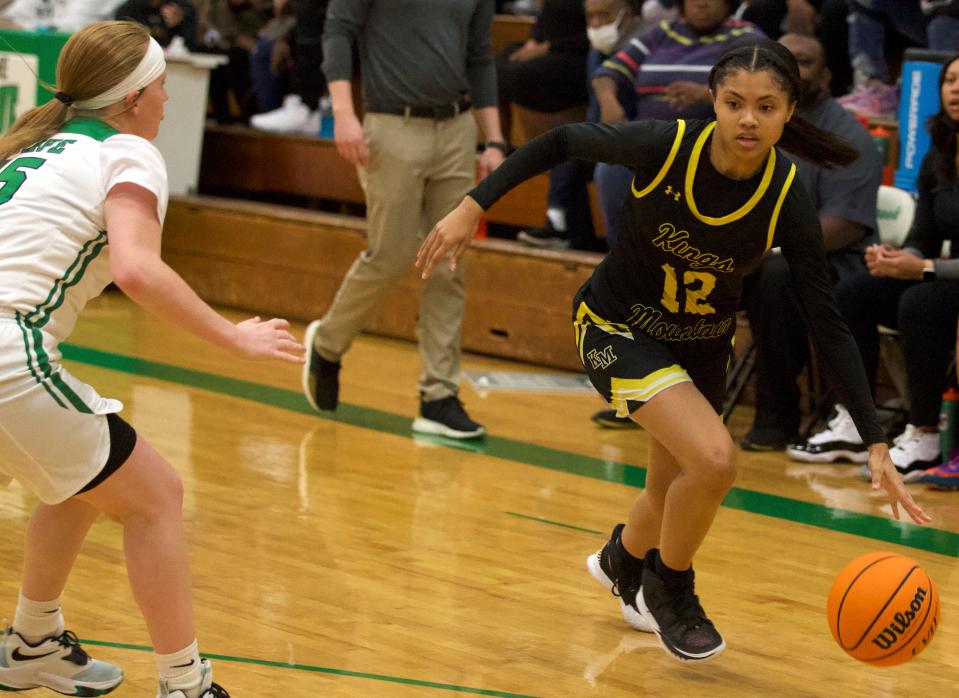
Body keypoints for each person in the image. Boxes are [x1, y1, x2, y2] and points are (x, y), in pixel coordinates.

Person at [417, 37, 929, 663]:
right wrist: (474, 205)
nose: (748, 118)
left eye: (766, 107)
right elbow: (562, 141)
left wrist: (875, 436)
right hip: (616, 327)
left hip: (701, 347)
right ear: (713, 100)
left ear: (789, 111)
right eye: (735, 102)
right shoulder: (665, 147)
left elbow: (824, 316)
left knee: (671, 489)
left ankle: (621, 560)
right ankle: (670, 590)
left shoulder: (786, 191)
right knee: (714, 461)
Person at [0, 21, 304, 698]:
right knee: (156, 496)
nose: (167, 100)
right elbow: (138, 271)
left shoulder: (42, 146)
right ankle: (185, 685)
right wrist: (235, 338)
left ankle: (33, 642)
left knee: (84, 477)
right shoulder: (128, 154)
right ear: (134, 96)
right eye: (163, 86)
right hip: (6, 354)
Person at [301, 0, 506, 440]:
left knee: (449, 263)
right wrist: (342, 112)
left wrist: (495, 139)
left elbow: (480, 55)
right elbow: (337, 31)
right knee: (390, 256)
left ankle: (439, 395)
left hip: (456, 129)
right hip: (391, 124)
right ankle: (328, 345)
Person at [588, 0, 761, 426]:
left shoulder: (747, 39)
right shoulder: (660, 33)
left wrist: (707, 95)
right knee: (610, 170)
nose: (701, 2)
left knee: (675, 280)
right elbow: (607, 73)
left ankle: (685, 392)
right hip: (652, 156)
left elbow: (768, 95)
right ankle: (641, 388)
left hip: (710, 161)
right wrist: (611, 103)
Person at [789, 52, 959, 480]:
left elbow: (927, 272)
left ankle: (923, 433)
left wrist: (921, 270)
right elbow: (921, 239)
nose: (956, 89)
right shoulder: (936, 158)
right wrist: (896, 258)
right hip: (941, 277)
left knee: (921, 301)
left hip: (942, 284)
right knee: (855, 291)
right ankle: (855, 422)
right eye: (950, 80)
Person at [740, 32, 883, 452]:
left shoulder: (847, 137)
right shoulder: (750, 124)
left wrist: (765, 244)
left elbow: (844, 225)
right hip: (751, 255)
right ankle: (656, 395)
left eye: (801, 61)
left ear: (825, 74)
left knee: (778, 274)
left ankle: (778, 412)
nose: (790, 69)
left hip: (832, 263)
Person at [516, 0, 648, 252]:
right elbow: (595, 114)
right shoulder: (596, 51)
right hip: (609, 133)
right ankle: (572, 237)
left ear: (627, 13)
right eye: (591, 17)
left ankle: (575, 233)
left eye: (604, 15)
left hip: (643, 137)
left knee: (591, 156)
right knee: (569, 146)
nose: (596, 24)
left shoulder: (647, 44)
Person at [838, 0, 959, 119]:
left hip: (949, 16)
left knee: (943, 18)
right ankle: (874, 89)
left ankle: (940, 100)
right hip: (925, 13)